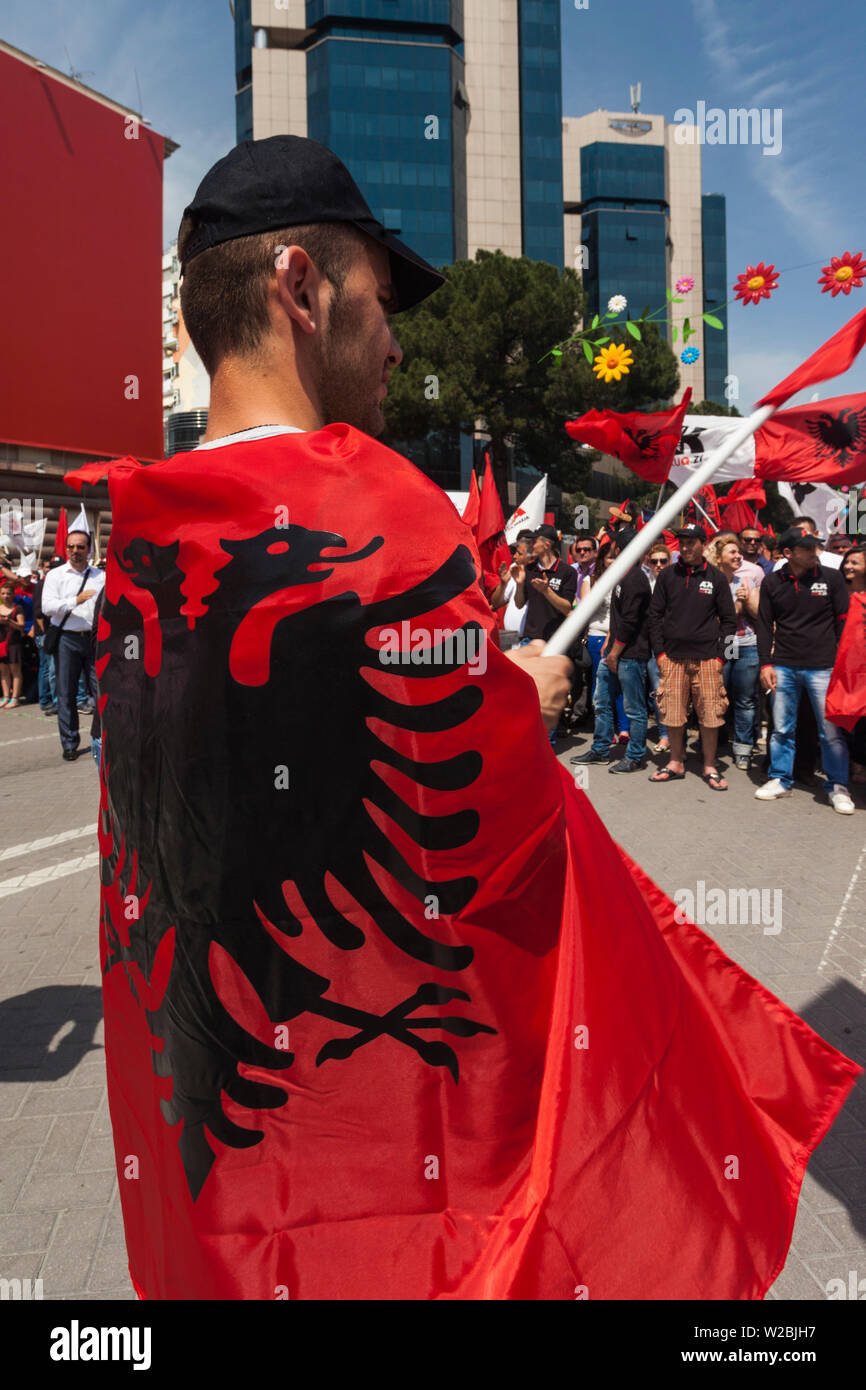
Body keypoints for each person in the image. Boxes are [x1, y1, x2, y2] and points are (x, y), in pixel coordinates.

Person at [754, 527, 852, 812]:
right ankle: (781, 779)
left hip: (823, 667)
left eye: (815, 547)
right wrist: (765, 664)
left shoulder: (831, 578)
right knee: (782, 729)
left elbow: (842, 623)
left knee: (830, 731)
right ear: (788, 553)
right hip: (783, 665)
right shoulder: (773, 582)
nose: (814, 552)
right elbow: (763, 625)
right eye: (807, 548)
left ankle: (837, 786)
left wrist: (837, 662)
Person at [647, 523, 736, 790]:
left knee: (710, 715)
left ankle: (709, 765)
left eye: (690, 543)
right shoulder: (667, 576)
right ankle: (675, 762)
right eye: (682, 543)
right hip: (672, 658)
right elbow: (654, 617)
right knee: (672, 713)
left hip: (709, 659)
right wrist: (660, 653)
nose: (684, 548)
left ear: (702, 543)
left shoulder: (717, 578)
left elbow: (730, 621)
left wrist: (723, 657)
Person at [571, 527, 651, 773]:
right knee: (602, 702)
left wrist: (614, 652)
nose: (612, 550)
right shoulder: (622, 576)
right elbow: (617, 620)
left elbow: (629, 622)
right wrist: (609, 644)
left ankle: (635, 756)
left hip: (630, 655)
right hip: (614, 651)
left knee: (634, 708)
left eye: (614, 546)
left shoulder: (635, 578)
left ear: (621, 549)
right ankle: (600, 749)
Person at [40, 529, 105, 761]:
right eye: (71, 547)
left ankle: (103, 737)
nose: (76, 551)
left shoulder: (101, 576)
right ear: (66, 548)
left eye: (80, 547)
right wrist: (74, 601)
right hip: (67, 639)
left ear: (89, 549)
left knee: (101, 691)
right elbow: (47, 607)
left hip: (95, 639)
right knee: (66, 693)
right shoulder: (56, 576)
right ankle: (69, 743)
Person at [706, 531, 763, 770]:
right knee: (719, 696)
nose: (739, 556)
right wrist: (737, 605)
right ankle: (714, 744)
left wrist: (747, 600)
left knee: (746, 699)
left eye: (739, 552)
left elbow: (760, 614)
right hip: (723, 644)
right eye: (733, 552)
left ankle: (743, 748)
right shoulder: (710, 583)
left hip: (747, 644)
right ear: (719, 558)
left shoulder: (747, 581)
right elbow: (714, 619)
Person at [579, 542, 628, 742]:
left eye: (617, 556)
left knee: (620, 685)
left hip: (619, 638)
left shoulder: (627, 581)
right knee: (601, 685)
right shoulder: (590, 581)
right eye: (609, 557)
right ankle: (605, 730)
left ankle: (624, 729)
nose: (613, 561)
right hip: (597, 636)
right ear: (602, 560)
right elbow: (584, 612)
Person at [838, 543, 866, 782]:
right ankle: (847, 766)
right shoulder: (836, 593)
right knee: (842, 719)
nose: (848, 566)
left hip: (863, 671)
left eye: (855, 562)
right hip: (839, 669)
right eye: (847, 561)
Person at [644, 544, 671, 753]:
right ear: (648, 563)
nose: (659, 565)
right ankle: (664, 734)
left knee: (673, 692)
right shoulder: (646, 585)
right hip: (649, 645)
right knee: (657, 692)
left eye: (663, 561)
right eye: (655, 561)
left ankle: (672, 734)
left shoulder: (677, 583)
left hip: (672, 645)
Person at [772, 516, 842, 570]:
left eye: (803, 533)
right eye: (793, 534)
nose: (797, 537)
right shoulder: (781, 565)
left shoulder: (838, 561)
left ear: (816, 534)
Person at [0, 579, 26, 707]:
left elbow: (22, 626)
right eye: (3, 593)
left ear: (13, 594)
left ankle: (15, 698)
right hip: (1, 644)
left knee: (15, 671)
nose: (6, 596)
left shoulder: (18, 608)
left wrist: (8, 621)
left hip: (14, 644)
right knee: (3, 672)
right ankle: (5, 696)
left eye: (8, 593)